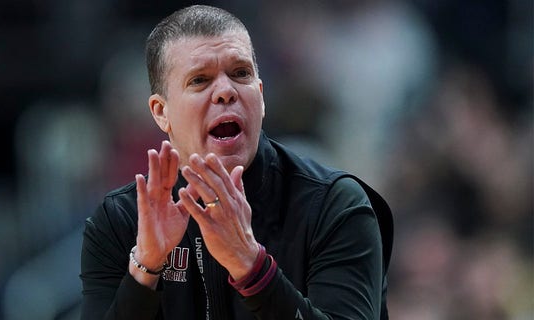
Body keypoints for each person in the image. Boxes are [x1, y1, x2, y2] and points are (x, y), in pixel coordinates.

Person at [80, 5, 393, 320]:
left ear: (260, 95)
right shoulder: (121, 222)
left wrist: (251, 267)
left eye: (240, 73)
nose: (226, 91)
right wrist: (145, 269)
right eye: (200, 80)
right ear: (161, 112)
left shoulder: (333, 206)